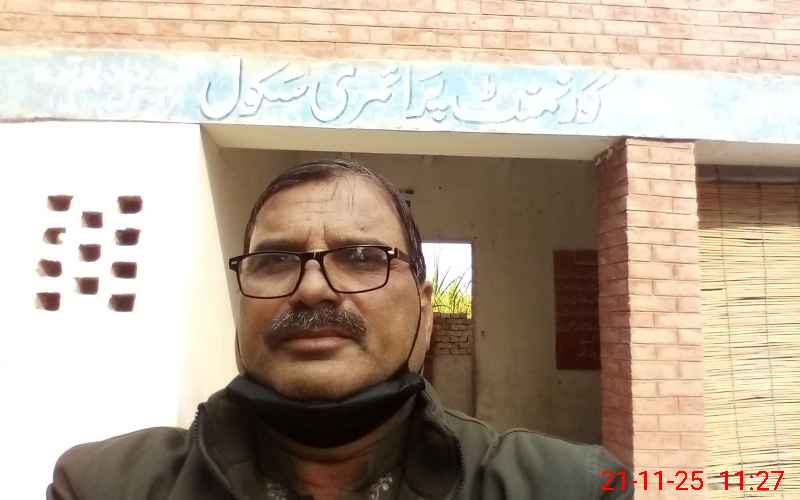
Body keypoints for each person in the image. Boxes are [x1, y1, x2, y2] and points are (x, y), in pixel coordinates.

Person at [48, 159, 632, 499]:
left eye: (361, 257)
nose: (312, 289)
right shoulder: (105, 485)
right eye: (275, 260)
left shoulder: (571, 486)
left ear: (425, 310)